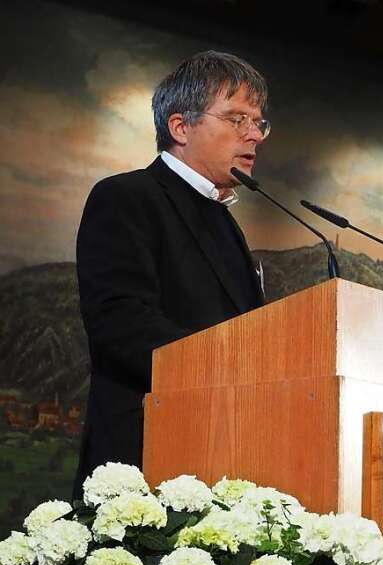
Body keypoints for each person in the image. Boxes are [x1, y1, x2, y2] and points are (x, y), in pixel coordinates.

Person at [74, 51, 270, 497]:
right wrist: (227, 373)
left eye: (259, 123)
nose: (255, 135)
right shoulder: (126, 197)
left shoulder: (225, 223)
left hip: (227, 460)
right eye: (238, 119)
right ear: (181, 127)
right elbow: (120, 323)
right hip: (143, 463)